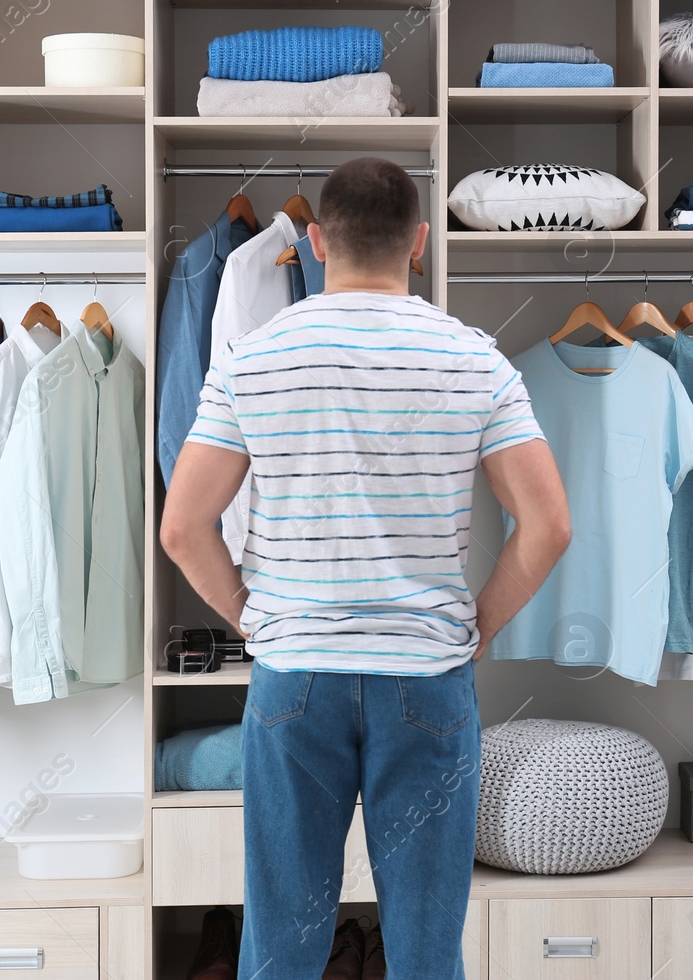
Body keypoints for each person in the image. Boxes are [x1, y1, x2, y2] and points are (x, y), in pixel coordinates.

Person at [162, 157, 571, 979]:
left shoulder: (254, 356)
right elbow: (549, 525)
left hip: (295, 676)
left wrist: (254, 616)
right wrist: (478, 623)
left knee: (280, 946)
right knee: (425, 951)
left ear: (316, 240)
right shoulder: (475, 359)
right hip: (426, 676)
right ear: (418, 242)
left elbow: (184, 527)